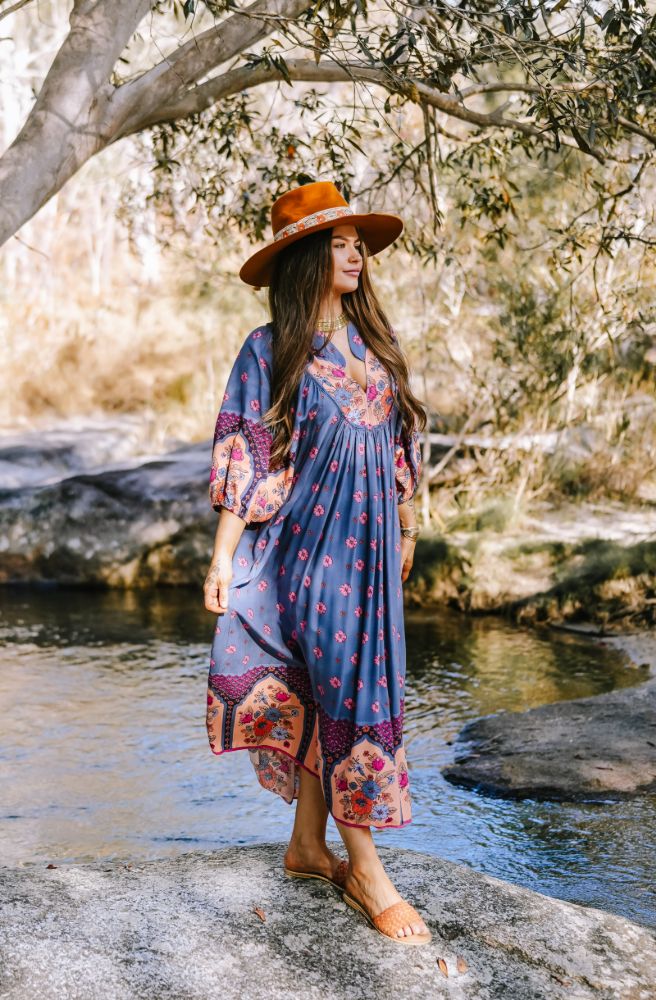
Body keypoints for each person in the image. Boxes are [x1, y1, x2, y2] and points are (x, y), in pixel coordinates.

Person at [203, 180, 430, 945]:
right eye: (339, 243)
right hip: (308, 552)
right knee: (348, 693)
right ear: (306, 257)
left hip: (370, 554)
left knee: (335, 686)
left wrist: (405, 526)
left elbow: (394, 446)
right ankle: (366, 867)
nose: (355, 254)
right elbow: (246, 453)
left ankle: (308, 847)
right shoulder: (269, 350)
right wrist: (221, 559)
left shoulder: (371, 345)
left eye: (357, 243)